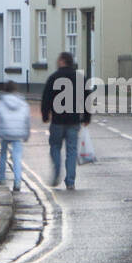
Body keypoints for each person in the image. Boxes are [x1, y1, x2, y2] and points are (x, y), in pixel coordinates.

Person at [40, 52, 90, 190]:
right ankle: (70, 181)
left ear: (62, 61)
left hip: (57, 120)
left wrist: (45, 115)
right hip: (74, 120)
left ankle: (57, 173)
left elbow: (46, 98)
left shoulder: (53, 78)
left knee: (55, 147)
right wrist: (86, 117)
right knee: (72, 151)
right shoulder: (80, 78)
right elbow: (86, 99)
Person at [0, 81, 31, 192]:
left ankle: (1, 178)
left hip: (5, 133)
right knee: (17, 157)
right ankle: (17, 181)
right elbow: (27, 121)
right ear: (16, 90)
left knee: (3, 154)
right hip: (18, 134)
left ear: (5, 90)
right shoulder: (23, 103)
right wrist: (26, 135)